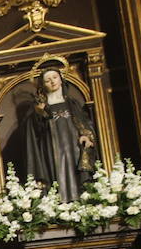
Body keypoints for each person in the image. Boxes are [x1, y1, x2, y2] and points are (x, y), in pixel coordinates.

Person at [23, 67, 97, 202]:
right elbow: (35, 132)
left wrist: (86, 136)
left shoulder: (71, 103)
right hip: (52, 149)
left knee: (76, 174)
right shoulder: (40, 106)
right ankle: (59, 203)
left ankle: (79, 201)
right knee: (56, 174)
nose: (52, 82)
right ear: (43, 85)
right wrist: (40, 113)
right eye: (47, 80)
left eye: (55, 77)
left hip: (74, 146)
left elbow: (83, 123)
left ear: (61, 79)